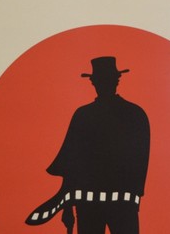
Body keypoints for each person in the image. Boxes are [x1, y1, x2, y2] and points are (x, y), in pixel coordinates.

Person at [26, 56, 150, 234]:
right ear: (117, 80)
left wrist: (67, 205)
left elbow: (71, 165)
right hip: (118, 203)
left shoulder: (84, 115)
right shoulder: (135, 114)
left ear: (94, 82)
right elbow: (73, 163)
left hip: (93, 203)